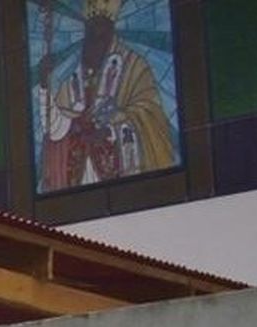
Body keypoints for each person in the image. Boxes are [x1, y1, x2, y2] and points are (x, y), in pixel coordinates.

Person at [35, 0, 177, 193]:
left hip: (122, 170)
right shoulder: (74, 81)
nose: (95, 39)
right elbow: (56, 129)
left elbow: (149, 114)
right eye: (90, 33)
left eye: (100, 34)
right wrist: (44, 86)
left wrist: (110, 130)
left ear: (111, 33)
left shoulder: (134, 67)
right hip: (80, 178)